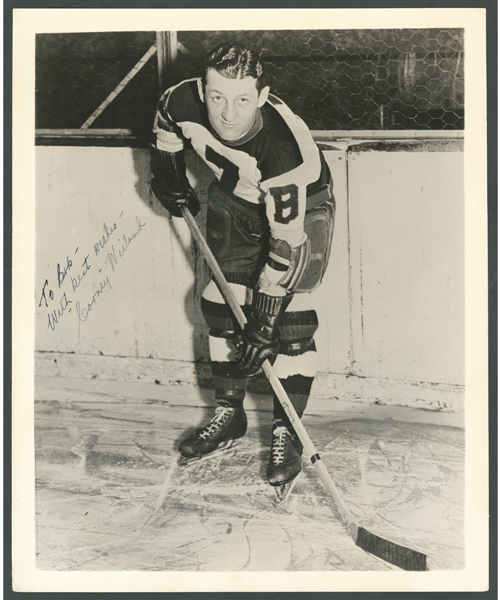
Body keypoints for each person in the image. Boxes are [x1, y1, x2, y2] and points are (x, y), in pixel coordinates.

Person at [150, 42, 335, 498]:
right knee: (219, 304)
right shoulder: (179, 99)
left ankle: (285, 432)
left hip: (301, 208)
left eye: (242, 100)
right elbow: (166, 134)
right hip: (235, 196)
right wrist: (168, 177)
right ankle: (229, 413)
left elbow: (285, 248)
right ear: (202, 88)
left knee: (288, 324)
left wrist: (266, 320)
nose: (228, 113)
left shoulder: (282, 151)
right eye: (217, 97)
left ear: (262, 94)